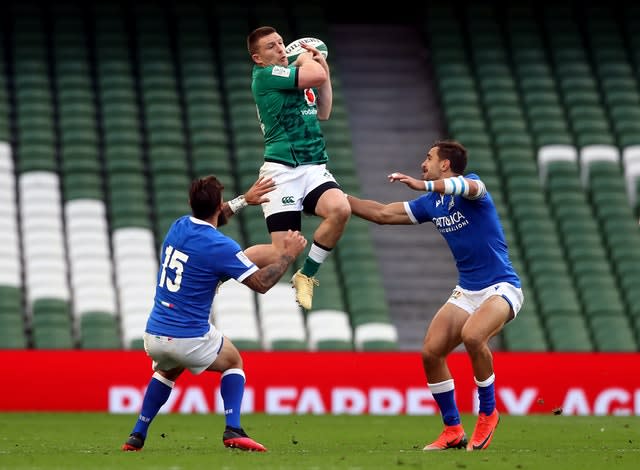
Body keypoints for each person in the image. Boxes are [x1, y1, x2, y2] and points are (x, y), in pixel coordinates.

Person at [346, 140, 523, 451]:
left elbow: (466, 187)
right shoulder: (432, 203)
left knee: (472, 336)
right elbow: (383, 214)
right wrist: (336, 197)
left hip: (501, 287)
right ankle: (453, 429)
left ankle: (488, 412)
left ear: (445, 165)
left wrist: (422, 183)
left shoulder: (475, 187)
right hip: (467, 290)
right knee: (431, 352)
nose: (422, 163)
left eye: (428, 158)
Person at [121, 175, 307, 453]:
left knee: (168, 369)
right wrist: (288, 255)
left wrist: (245, 199)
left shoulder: (178, 226)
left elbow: (213, 216)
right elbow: (262, 284)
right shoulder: (221, 247)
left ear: (190, 203)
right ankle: (233, 428)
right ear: (219, 204)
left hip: (154, 333)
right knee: (233, 361)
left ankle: (136, 435)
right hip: (188, 337)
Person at [244, 26, 351, 310]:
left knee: (340, 209)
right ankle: (224, 266)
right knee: (280, 250)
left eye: (280, 43)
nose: (280, 48)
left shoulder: (293, 77)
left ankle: (307, 275)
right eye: (271, 47)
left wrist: (323, 70)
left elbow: (324, 111)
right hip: (282, 171)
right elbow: (313, 74)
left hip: (313, 166)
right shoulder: (266, 76)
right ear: (258, 58)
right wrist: (308, 62)